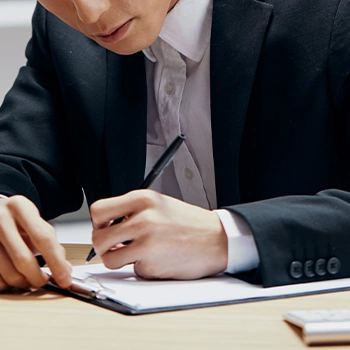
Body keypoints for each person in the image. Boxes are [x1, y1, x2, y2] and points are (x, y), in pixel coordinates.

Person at [0, 0, 349, 292]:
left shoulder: (333, 11)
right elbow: (16, 162)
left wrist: (227, 237)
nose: (90, 14)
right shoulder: (62, 27)